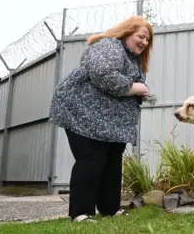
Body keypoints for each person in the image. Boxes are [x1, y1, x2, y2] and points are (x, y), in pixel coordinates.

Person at [48, 15, 154, 222]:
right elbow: (101, 72)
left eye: (148, 39)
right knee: (91, 159)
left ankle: (109, 209)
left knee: (112, 161)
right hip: (82, 112)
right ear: (127, 32)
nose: (144, 42)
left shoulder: (133, 58)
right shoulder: (109, 45)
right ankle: (80, 213)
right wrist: (132, 87)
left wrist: (139, 91)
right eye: (141, 36)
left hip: (108, 121)